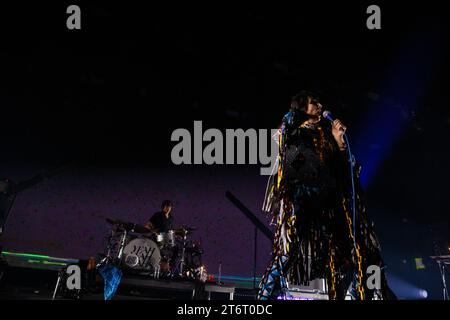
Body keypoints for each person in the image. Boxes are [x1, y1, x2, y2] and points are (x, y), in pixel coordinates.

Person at [257, 90, 395, 300]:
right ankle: (263, 299)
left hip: (328, 207)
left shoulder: (324, 134)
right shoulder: (292, 130)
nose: (320, 105)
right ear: (302, 107)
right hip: (301, 204)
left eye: (320, 102)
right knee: (288, 253)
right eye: (314, 103)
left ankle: (355, 294)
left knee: (351, 253)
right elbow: (288, 150)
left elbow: (342, 170)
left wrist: (338, 140)